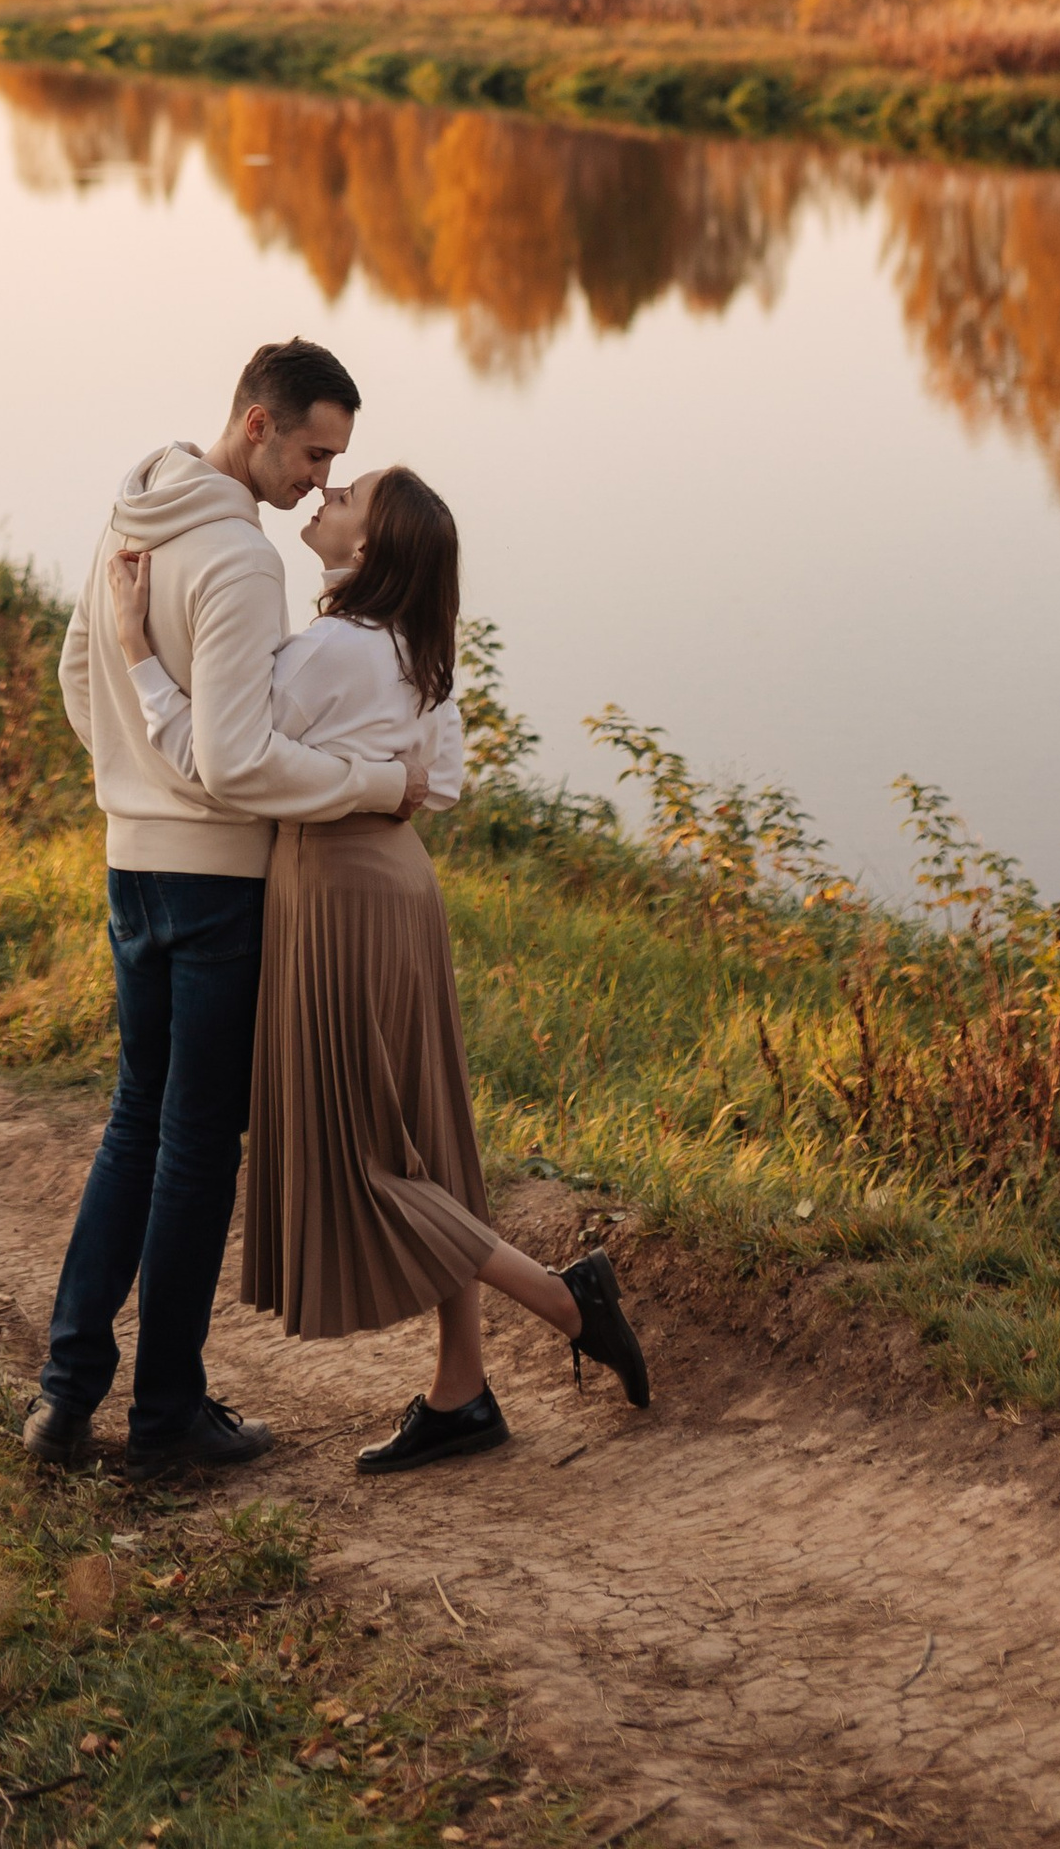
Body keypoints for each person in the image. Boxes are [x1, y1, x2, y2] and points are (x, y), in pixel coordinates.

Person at [109, 458, 651, 1474]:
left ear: (364, 552)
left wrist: (139, 649)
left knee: (362, 1159)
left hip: (335, 888)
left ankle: (564, 1298)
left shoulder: (329, 649)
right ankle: (462, 1391)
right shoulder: (414, 651)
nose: (328, 492)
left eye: (347, 497)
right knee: (428, 1135)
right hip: (402, 882)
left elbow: (212, 762)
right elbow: (432, 785)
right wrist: (371, 783)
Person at [25, 337, 436, 1477]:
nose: (318, 478)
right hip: (215, 884)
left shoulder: (133, 510)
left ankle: (65, 1393)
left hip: (131, 866)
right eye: (313, 451)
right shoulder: (242, 560)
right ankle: (165, 1419)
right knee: (196, 1147)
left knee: (134, 1122)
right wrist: (369, 785)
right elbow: (240, 760)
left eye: (334, 460)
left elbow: (75, 676)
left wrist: (136, 783)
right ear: (257, 423)